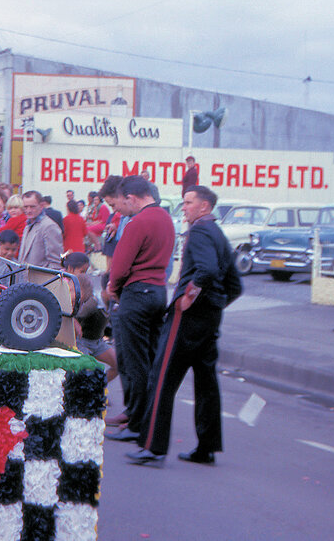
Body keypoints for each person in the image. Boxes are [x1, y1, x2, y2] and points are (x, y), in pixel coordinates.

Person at [124, 185, 242, 467]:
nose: (184, 207)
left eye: (189, 202)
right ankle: (207, 446)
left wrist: (188, 300)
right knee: (206, 382)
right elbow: (235, 285)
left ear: (205, 207)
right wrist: (215, 305)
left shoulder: (200, 231)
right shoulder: (218, 233)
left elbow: (207, 271)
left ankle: (153, 447)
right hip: (210, 318)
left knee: (162, 377)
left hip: (187, 318)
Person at [104, 175, 175, 443]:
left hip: (136, 294)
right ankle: (144, 417)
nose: (122, 209)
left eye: (122, 203)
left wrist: (113, 286)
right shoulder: (166, 219)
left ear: (131, 198)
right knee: (150, 358)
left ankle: (135, 422)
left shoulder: (138, 223)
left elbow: (120, 267)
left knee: (133, 361)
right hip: (158, 291)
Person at [63, 252, 117, 383]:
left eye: (86, 271)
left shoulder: (85, 286)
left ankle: (97, 389)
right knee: (83, 373)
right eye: (82, 271)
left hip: (97, 341)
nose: (84, 274)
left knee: (118, 364)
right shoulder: (66, 285)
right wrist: (73, 319)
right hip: (82, 342)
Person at [18, 191, 63, 269]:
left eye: (32, 207)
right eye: (25, 207)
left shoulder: (49, 226)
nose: (28, 210)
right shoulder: (28, 224)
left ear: (41, 206)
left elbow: (55, 263)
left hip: (40, 279)